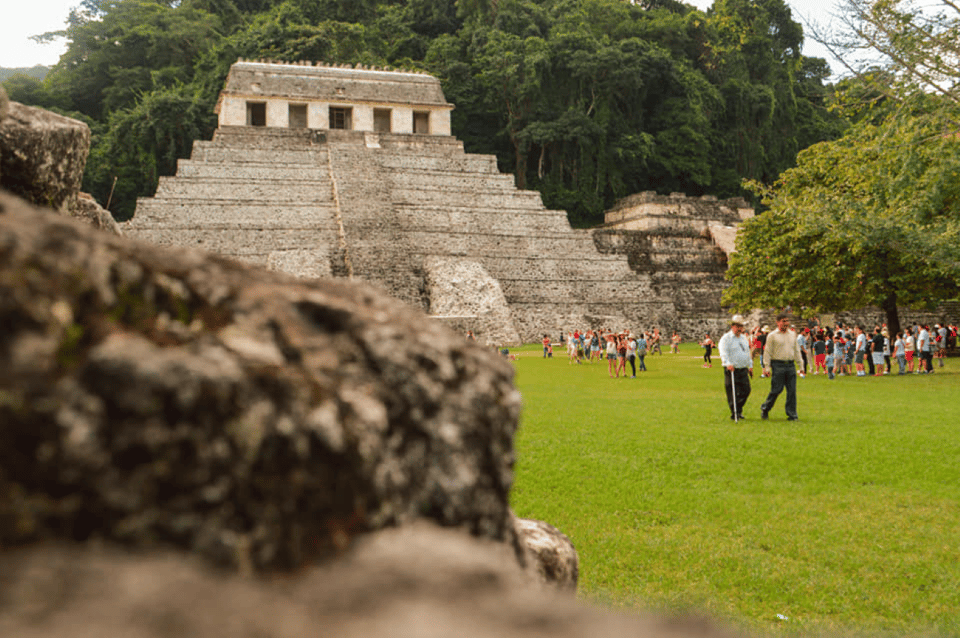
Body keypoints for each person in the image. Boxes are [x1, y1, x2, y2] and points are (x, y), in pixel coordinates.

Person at [760, 313, 803, 421]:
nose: (786, 323)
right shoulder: (772, 335)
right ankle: (765, 407)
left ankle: (792, 414)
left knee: (792, 391)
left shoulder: (792, 334)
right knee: (776, 389)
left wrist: (801, 365)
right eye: (783, 321)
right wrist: (767, 367)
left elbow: (796, 350)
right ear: (778, 322)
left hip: (790, 364)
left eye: (787, 321)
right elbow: (767, 352)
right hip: (778, 364)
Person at [718, 314, 753, 421]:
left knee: (746, 390)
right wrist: (727, 363)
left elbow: (747, 352)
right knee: (732, 392)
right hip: (732, 369)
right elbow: (723, 351)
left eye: (741, 326)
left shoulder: (743, 338)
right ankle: (735, 413)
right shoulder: (726, 338)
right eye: (737, 326)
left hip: (743, 368)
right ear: (732, 326)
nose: (740, 328)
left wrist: (750, 365)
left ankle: (737, 409)